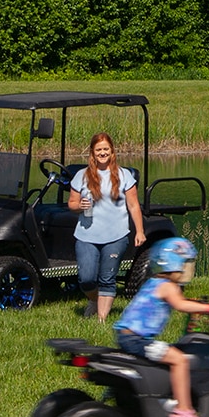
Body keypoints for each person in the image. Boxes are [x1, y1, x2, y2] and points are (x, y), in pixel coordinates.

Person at [112, 237, 209, 417]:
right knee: (179, 360)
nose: (188, 270)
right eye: (186, 265)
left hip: (126, 336)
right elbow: (180, 304)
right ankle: (184, 410)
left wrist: (196, 307)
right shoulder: (168, 286)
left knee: (169, 353)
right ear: (175, 264)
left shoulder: (154, 282)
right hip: (138, 340)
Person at [66, 131, 145, 321]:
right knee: (86, 279)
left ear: (112, 151)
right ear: (92, 153)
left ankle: (101, 320)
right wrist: (79, 206)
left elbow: (133, 205)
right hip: (86, 235)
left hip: (116, 235)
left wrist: (140, 231)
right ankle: (94, 300)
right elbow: (71, 203)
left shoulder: (124, 175)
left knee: (107, 278)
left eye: (106, 149)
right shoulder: (81, 176)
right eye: (98, 149)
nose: (102, 153)